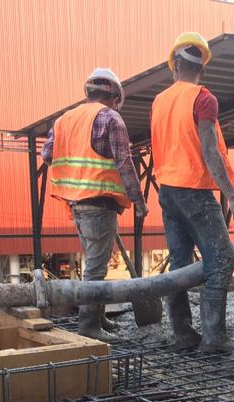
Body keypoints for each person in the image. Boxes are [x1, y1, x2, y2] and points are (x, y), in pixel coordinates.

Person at [150, 32, 234, 353]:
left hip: (167, 191)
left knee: (180, 265)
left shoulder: (159, 100)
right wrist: (233, 196)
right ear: (202, 68)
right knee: (221, 259)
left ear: (174, 65)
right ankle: (214, 337)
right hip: (194, 190)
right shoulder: (203, 98)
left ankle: (182, 333)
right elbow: (209, 152)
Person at [43, 68, 147, 340]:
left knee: (94, 261)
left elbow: (47, 154)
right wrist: (138, 200)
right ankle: (88, 325)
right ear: (115, 97)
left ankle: (99, 317)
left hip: (76, 203)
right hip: (99, 202)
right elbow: (124, 162)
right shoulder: (110, 117)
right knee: (96, 268)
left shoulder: (64, 119)